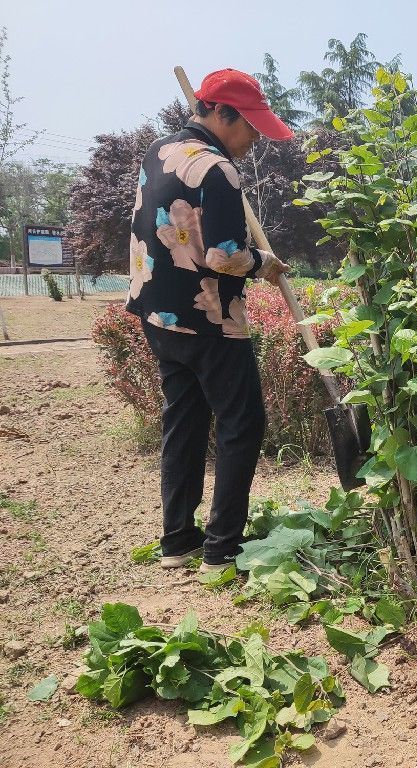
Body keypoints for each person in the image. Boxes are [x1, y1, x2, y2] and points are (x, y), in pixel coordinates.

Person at [125, 68, 293, 575]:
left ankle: (177, 541)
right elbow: (224, 258)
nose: (254, 140)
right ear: (223, 113)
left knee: (185, 419)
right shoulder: (216, 170)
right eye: (251, 128)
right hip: (208, 318)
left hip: (158, 313)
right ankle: (222, 550)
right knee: (243, 423)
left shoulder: (160, 153)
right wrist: (263, 263)